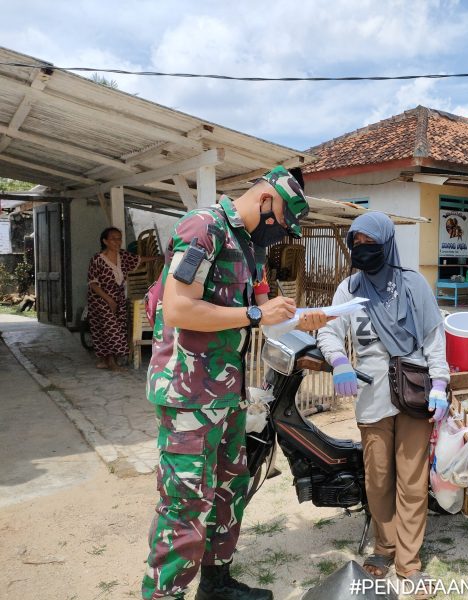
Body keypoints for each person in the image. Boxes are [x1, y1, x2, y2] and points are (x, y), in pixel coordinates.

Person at [141, 166, 331, 600]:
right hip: (187, 395)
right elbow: (178, 308)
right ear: (266, 202)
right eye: (283, 221)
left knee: (231, 488)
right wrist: (255, 316)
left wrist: (306, 319)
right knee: (185, 501)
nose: (281, 232)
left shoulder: (251, 249)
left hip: (227, 392)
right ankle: (162, 595)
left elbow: (268, 312)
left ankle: (217, 584)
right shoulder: (202, 228)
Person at [316, 212, 450, 597]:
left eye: (369, 243)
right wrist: (339, 360)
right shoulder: (349, 290)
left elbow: (433, 336)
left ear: (386, 243)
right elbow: (329, 329)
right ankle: (384, 547)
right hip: (372, 398)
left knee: (411, 481)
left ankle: (408, 564)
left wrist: (439, 382)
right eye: (355, 243)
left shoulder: (413, 286)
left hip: (412, 394)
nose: (362, 250)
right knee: (377, 479)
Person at [87, 227, 156, 370]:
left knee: (117, 327)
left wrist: (160, 257)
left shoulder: (123, 256)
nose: (117, 242)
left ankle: (107, 361)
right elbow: (93, 284)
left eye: (119, 238)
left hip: (118, 297)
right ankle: (113, 363)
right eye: (113, 239)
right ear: (105, 241)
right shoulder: (97, 259)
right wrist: (109, 300)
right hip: (100, 299)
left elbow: (140, 259)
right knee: (110, 329)